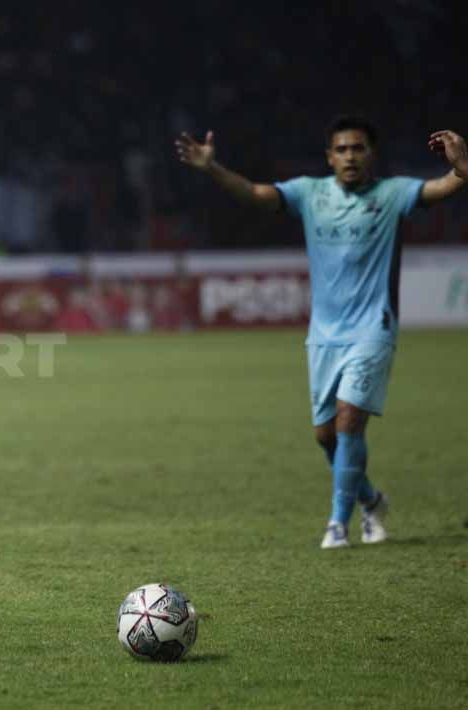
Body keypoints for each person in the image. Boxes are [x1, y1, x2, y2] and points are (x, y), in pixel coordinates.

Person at [176, 115, 466, 549]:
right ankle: (370, 501)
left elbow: (447, 185)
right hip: (324, 334)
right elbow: (257, 195)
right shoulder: (309, 193)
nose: (351, 156)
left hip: (373, 327)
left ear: (372, 154)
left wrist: (462, 164)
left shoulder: (393, 194)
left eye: (359, 148)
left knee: (350, 422)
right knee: (326, 436)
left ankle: (337, 524)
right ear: (329, 156)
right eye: (342, 149)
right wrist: (213, 169)